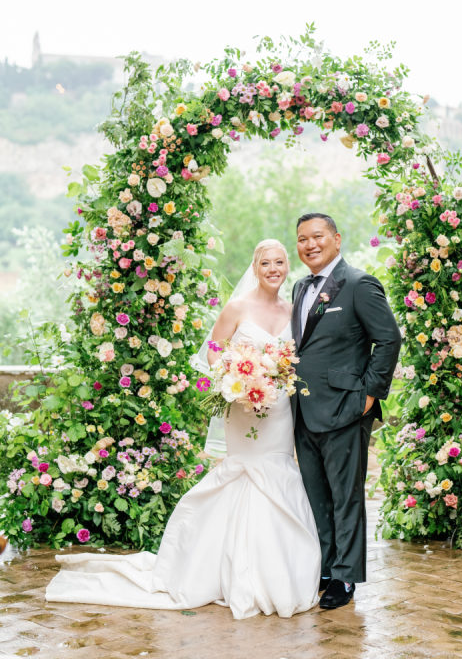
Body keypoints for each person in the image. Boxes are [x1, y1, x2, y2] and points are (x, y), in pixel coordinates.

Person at [45, 239, 320, 620]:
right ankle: (221, 570)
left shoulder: (294, 311)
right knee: (243, 472)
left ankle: (275, 570)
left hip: (277, 411)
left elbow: (294, 359)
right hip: (242, 406)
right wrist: (234, 379)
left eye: (279, 262)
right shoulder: (237, 308)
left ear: (287, 266)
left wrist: (276, 374)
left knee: (276, 471)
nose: (273, 269)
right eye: (265, 263)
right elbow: (213, 349)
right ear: (255, 267)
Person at [292, 213, 401, 610]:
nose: (310, 244)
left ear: (336, 239)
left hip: (346, 408)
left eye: (317, 236)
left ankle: (344, 577)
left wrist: (368, 396)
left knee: (346, 497)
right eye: (302, 239)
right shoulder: (300, 287)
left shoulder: (359, 284)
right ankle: (324, 567)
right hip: (302, 410)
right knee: (316, 496)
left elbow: (388, 340)